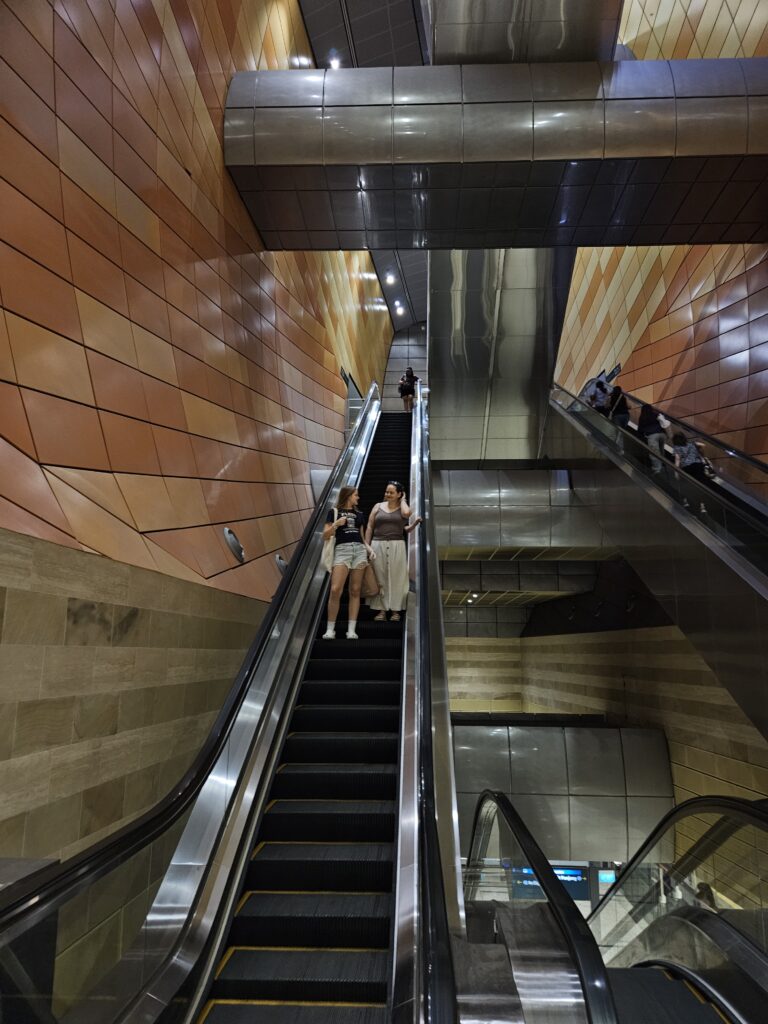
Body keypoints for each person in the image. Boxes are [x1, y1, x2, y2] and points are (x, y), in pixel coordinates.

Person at [322, 485, 376, 640]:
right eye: (355, 495)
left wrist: (369, 549)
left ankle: (351, 630)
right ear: (348, 496)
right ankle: (330, 630)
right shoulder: (333, 512)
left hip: (359, 550)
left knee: (355, 590)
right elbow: (325, 535)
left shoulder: (359, 514)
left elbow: (362, 537)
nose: (358, 498)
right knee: (335, 589)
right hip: (342, 550)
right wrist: (336, 524)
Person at [365, 481, 421, 622]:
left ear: (399, 494)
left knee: (397, 577)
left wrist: (403, 500)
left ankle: (396, 610)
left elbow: (407, 514)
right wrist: (367, 545)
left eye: (391, 492)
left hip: (397, 545)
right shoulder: (378, 506)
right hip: (377, 544)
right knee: (380, 576)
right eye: (386, 492)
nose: (387, 494)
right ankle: (382, 610)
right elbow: (370, 526)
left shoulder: (402, 508)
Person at [672, 431, 709, 514]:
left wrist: (676, 472)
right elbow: (703, 445)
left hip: (687, 467)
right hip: (698, 465)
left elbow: (677, 460)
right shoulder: (692, 443)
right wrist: (700, 453)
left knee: (687, 485)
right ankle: (702, 506)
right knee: (699, 485)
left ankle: (687, 502)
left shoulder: (676, 447)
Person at [637, 403, 669, 474]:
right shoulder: (656, 414)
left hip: (652, 436)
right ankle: (663, 464)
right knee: (661, 450)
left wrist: (639, 437)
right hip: (662, 434)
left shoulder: (643, 417)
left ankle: (657, 469)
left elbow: (640, 429)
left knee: (654, 453)